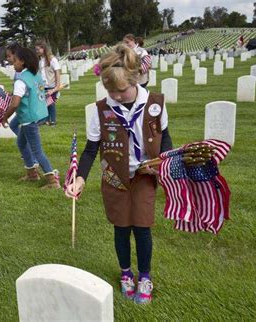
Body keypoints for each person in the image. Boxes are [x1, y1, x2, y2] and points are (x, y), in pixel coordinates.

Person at [65, 44, 173, 304]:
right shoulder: (102, 109)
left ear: (135, 79)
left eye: (121, 90)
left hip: (145, 176)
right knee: (122, 228)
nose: (117, 95)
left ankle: (145, 276)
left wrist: (163, 164)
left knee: (142, 227)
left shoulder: (155, 104)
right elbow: (91, 150)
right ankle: (126, 274)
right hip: (115, 178)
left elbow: (165, 138)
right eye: (111, 91)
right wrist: (79, 177)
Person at [1, 47, 60, 189]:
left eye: (14, 60)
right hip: (38, 115)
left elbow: (15, 103)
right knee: (21, 143)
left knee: (37, 151)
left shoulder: (21, 80)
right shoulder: (35, 75)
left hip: (28, 119)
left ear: (22, 62)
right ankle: (32, 174)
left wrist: (5, 117)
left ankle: (52, 181)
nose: (12, 63)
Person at [5, 43, 40, 180]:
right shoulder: (18, 70)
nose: (8, 59)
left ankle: (32, 160)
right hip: (24, 109)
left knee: (21, 135)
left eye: (9, 56)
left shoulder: (21, 70)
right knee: (15, 128)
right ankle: (30, 161)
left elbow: (24, 90)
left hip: (26, 111)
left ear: (17, 55)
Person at [35, 40, 61, 126]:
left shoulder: (53, 59)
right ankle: (45, 120)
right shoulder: (40, 60)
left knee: (50, 103)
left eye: (38, 49)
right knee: (44, 104)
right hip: (43, 86)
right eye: (36, 49)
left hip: (52, 86)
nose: (37, 51)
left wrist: (56, 88)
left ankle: (53, 121)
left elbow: (57, 73)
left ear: (43, 48)